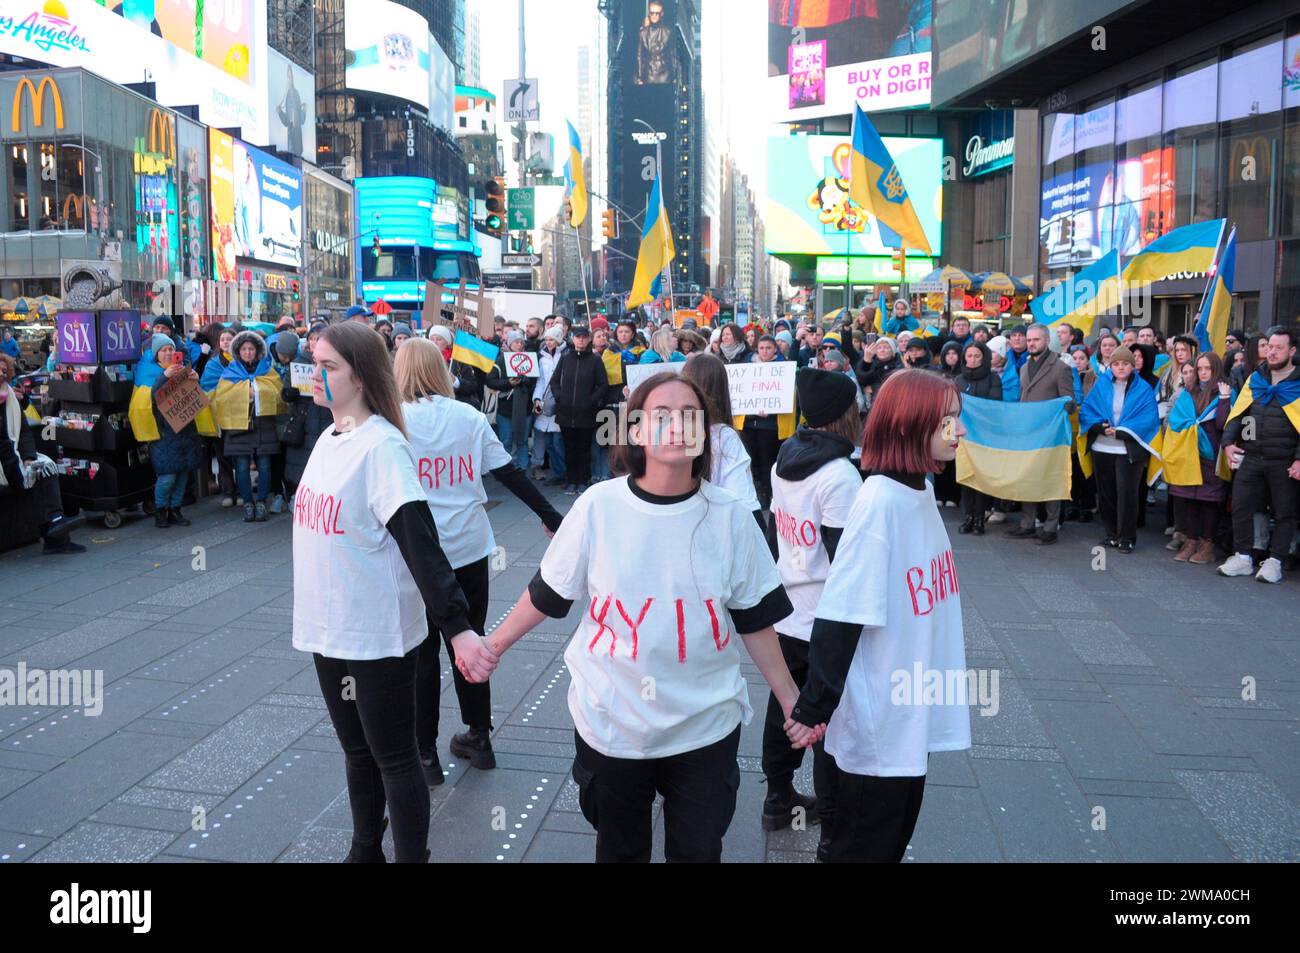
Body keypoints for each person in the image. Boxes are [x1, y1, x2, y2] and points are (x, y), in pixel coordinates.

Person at [464, 372, 802, 863]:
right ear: (636, 431)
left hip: (705, 723)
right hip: (613, 719)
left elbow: (754, 617)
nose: (677, 425)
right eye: (660, 415)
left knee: (699, 849)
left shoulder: (729, 516)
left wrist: (790, 698)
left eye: (691, 415)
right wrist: (493, 646)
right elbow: (548, 593)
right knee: (620, 848)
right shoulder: (599, 506)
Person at [292, 322, 477, 863]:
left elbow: (421, 544)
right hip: (328, 631)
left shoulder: (383, 448)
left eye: (329, 367)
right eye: (315, 363)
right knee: (356, 752)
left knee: (394, 757)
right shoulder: (329, 437)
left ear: (362, 376)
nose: (315, 376)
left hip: (378, 634)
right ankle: (364, 850)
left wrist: (459, 628)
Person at [786, 370, 970, 863]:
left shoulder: (919, 492)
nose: (961, 431)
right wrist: (813, 708)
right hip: (877, 731)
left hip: (907, 717)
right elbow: (841, 615)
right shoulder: (879, 502)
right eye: (948, 420)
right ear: (910, 424)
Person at [393, 339, 563, 782]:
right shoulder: (468, 417)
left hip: (417, 552)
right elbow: (509, 472)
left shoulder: (392, 422)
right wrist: (551, 517)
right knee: (470, 640)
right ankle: (479, 736)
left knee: (421, 650)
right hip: (468, 547)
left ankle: (424, 753)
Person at [764, 367, 862, 849]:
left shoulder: (786, 456)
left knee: (783, 703)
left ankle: (777, 800)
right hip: (822, 611)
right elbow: (846, 558)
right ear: (844, 416)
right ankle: (828, 821)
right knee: (825, 716)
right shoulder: (840, 475)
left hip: (787, 605)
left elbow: (776, 526)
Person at [1217, 327, 1300, 584]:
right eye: (1269, 346)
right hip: (1251, 456)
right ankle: (1243, 557)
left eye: (1278, 347)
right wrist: (1229, 442)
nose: (1272, 352)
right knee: (1241, 507)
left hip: (1284, 460)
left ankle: (1275, 561)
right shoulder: (1256, 379)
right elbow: (1237, 414)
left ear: (1292, 351)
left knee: (1285, 512)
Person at [0, 353, 85, 553]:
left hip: (13, 454)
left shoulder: (10, 396)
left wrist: (29, 458)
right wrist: (20, 468)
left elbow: (23, 433)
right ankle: (55, 532)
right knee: (34, 472)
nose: (2, 374)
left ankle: (56, 531)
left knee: (46, 464)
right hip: (5, 461)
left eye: (4, 370)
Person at [1079, 346, 1160, 554]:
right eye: (1116, 364)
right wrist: (1098, 426)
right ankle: (1111, 534)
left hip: (1128, 449)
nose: (1121, 367)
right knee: (1106, 493)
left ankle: (1127, 537)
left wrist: (1123, 431)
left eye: (1125, 363)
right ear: (1111, 366)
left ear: (1133, 366)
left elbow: (1148, 418)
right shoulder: (1102, 384)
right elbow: (1088, 409)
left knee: (1127, 494)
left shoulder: (1143, 389)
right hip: (1102, 446)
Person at [1004, 324, 1075, 546]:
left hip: (1050, 434)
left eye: (1036, 339)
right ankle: (1027, 523)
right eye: (1029, 339)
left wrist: (1053, 410)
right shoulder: (1024, 367)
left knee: (1050, 479)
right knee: (1029, 477)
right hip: (1028, 432)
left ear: (1046, 340)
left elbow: (1070, 403)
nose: (1032, 343)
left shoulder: (1060, 368)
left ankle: (1050, 527)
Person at [131, 335, 206, 528]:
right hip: (163, 432)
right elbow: (152, 398)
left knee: (182, 475)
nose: (168, 353)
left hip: (185, 431)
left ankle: (175, 509)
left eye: (171, 349)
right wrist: (165, 376)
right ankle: (161, 511)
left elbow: (194, 398)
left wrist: (196, 380)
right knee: (167, 476)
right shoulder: (148, 371)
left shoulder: (184, 370)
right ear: (156, 354)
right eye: (163, 350)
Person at [681, 353, 762, 530]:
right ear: (721, 389)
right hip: (711, 528)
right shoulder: (722, 437)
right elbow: (744, 502)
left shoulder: (667, 430)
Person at [1166, 352, 1232, 565]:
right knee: (1190, 499)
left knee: (1209, 502)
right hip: (1189, 453)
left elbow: (1224, 424)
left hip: (1211, 455)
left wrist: (1224, 400)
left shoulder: (1225, 391)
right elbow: (1177, 420)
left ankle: (1207, 545)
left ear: (1216, 370)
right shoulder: (1189, 392)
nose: (1203, 373)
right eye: (1200, 369)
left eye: (1208, 369)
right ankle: (1191, 541)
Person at [211, 331, 285, 523]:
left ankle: (261, 502)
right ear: (238, 351)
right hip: (239, 427)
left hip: (263, 425)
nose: (248, 352)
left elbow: (278, 393)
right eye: (244, 349)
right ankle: (248, 504)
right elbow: (221, 397)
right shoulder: (229, 372)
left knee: (264, 465)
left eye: (251, 348)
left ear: (258, 350)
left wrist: (258, 390)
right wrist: (246, 392)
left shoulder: (267, 370)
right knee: (242, 467)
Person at [737, 334, 795, 511]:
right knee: (751, 460)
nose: (764, 351)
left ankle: (767, 494)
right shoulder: (749, 367)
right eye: (761, 348)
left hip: (770, 425)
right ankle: (755, 492)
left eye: (768, 348)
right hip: (748, 423)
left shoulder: (783, 368)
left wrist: (771, 408)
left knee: (767, 461)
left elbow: (788, 396)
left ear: (775, 349)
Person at [551, 325, 608, 495]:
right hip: (566, 411)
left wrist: (590, 401)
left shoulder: (595, 360)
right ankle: (571, 480)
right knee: (569, 448)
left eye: (584, 337)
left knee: (584, 448)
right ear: (573, 339)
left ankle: (583, 480)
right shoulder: (565, 358)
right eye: (578, 337)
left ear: (589, 339)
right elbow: (554, 381)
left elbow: (603, 385)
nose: (581, 339)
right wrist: (560, 396)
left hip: (586, 412)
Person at [956, 342, 1001, 534]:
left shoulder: (993, 379)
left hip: (984, 437)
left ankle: (980, 518)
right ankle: (969, 516)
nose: (972, 359)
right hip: (964, 437)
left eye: (977, 356)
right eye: (969, 355)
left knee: (981, 478)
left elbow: (994, 405)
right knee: (966, 478)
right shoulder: (958, 379)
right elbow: (952, 407)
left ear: (984, 358)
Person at [485, 330, 535, 471]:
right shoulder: (501, 360)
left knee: (522, 440)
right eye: (516, 342)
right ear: (510, 344)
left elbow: (535, 381)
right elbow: (490, 381)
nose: (519, 345)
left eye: (521, 342)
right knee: (505, 440)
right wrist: (508, 383)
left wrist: (526, 380)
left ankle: (523, 467)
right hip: (505, 408)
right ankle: (506, 468)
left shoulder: (529, 359)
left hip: (524, 406)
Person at [531, 325, 567, 485]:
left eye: (551, 339)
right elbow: (541, 380)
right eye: (546, 339)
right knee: (550, 443)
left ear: (559, 339)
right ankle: (559, 472)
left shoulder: (567, 354)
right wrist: (537, 398)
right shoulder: (542, 356)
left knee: (559, 442)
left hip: (561, 402)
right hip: (546, 403)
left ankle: (565, 473)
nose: (548, 342)